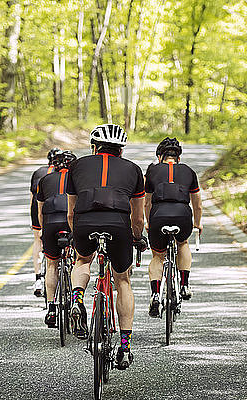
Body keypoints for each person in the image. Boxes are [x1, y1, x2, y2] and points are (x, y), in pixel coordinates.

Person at [66, 124, 147, 370]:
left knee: (82, 261)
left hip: (85, 221)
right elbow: (139, 217)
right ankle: (125, 346)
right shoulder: (133, 170)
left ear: (93, 148)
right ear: (121, 151)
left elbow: (71, 212)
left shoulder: (77, 166)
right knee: (122, 280)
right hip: (118, 224)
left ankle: (77, 298)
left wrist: (75, 235)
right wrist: (137, 238)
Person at [144, 137, 202, 318]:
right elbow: (197, 204)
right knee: (182, 243)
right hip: (182, 214)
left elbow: (146, 203)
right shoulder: (189, 171)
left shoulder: (152, 171)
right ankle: (184, 284)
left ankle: (155, 293)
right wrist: (197, 223)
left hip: (158, 215)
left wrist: (148, 222)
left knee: (157, 256)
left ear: (160, 156)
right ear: (178, 157)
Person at [36, 151, 76, 327]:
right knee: (79, 261)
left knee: (52, 264)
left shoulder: (44, 180)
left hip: (50, 222)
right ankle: (76, 301)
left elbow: (39, 213)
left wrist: (43, 232)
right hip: (69, 221)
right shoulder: (77, 180)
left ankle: (51, 307)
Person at [29, 147, 60, 297]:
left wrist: (35, 221)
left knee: (37, 240)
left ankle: (38, 278)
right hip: (57, 208)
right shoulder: (62, 174)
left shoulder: (38, 172)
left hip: (37, 206)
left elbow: (31, 198)